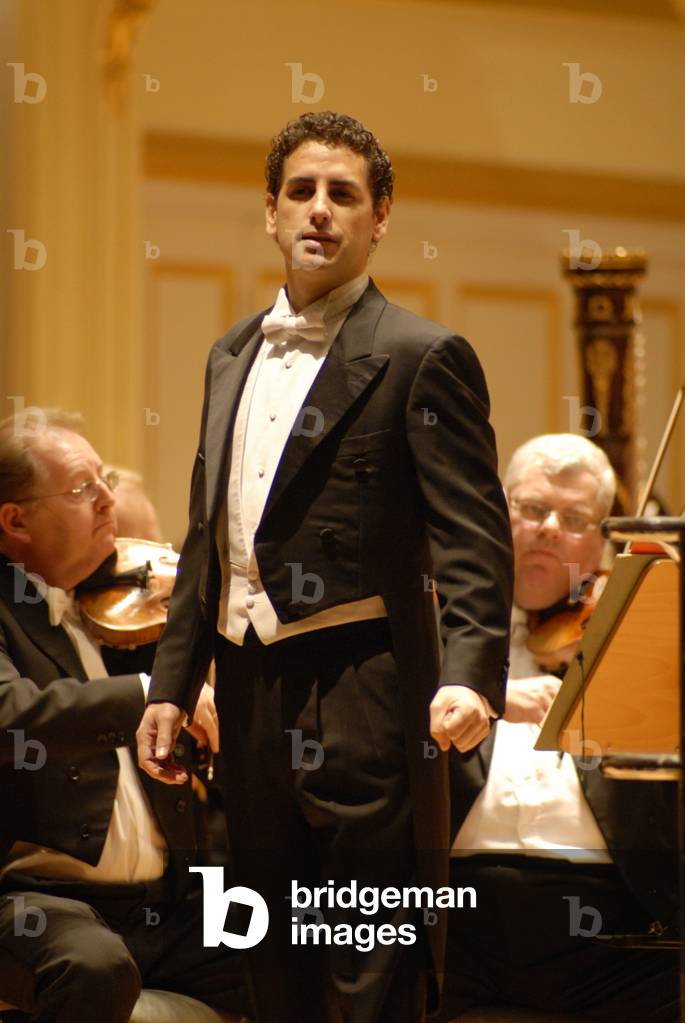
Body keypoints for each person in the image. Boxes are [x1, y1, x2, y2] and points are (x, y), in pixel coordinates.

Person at [137, 110, 513, 1023]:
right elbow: (207, 533)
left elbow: (474, 536)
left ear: (379, 218)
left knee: (367, 954)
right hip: (249, 685)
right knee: (264, 945)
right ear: (269, 211)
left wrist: (471, 677)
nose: (319, 210)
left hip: (367, 691)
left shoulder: (423, 355)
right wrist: (171, 684)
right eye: (300, 192)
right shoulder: (229, 353)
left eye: (343, 194)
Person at [0, 409, 247, 1023]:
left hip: (165, 901)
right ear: (15, 519)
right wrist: (149, 691)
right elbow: (11, 713)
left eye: (104, 482)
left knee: (307, 947)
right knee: (92, 968)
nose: (108, 501)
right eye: (84, 489)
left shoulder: (124, 610)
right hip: (36, 900)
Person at [444, 433, 678, 1023]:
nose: (549, 527)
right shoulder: (434, 625)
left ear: (604, 538)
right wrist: (489, 694)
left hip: (609, 919)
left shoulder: (631, 628)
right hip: (458, 911)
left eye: (575, 518)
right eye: (531, 508)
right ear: (498, 513)